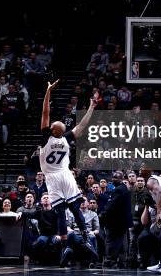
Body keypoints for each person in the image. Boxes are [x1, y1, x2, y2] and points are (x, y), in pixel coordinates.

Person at [39, 79, 98, 265]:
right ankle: (86, 240)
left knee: (61, 212)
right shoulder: (66, 138)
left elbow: (45, 111)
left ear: (52, 129)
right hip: (65, 175)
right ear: (60, 130)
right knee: (75, 208)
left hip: (53, 178)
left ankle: (66, 246)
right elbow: (82, 125)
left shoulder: (46, 137)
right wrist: (91, 107)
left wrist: (48, 91)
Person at [99, 171, 133, 268]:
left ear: (121, 179)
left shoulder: (119, 189)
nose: (114, 179)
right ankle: (120, 262)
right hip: (121, 222)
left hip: (116, 222)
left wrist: (103, 213)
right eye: (113, 177)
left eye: (116, 178)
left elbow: (112, 204)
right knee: (120, 242)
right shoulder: (123, 188)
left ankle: (110, 261)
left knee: (111, 241)